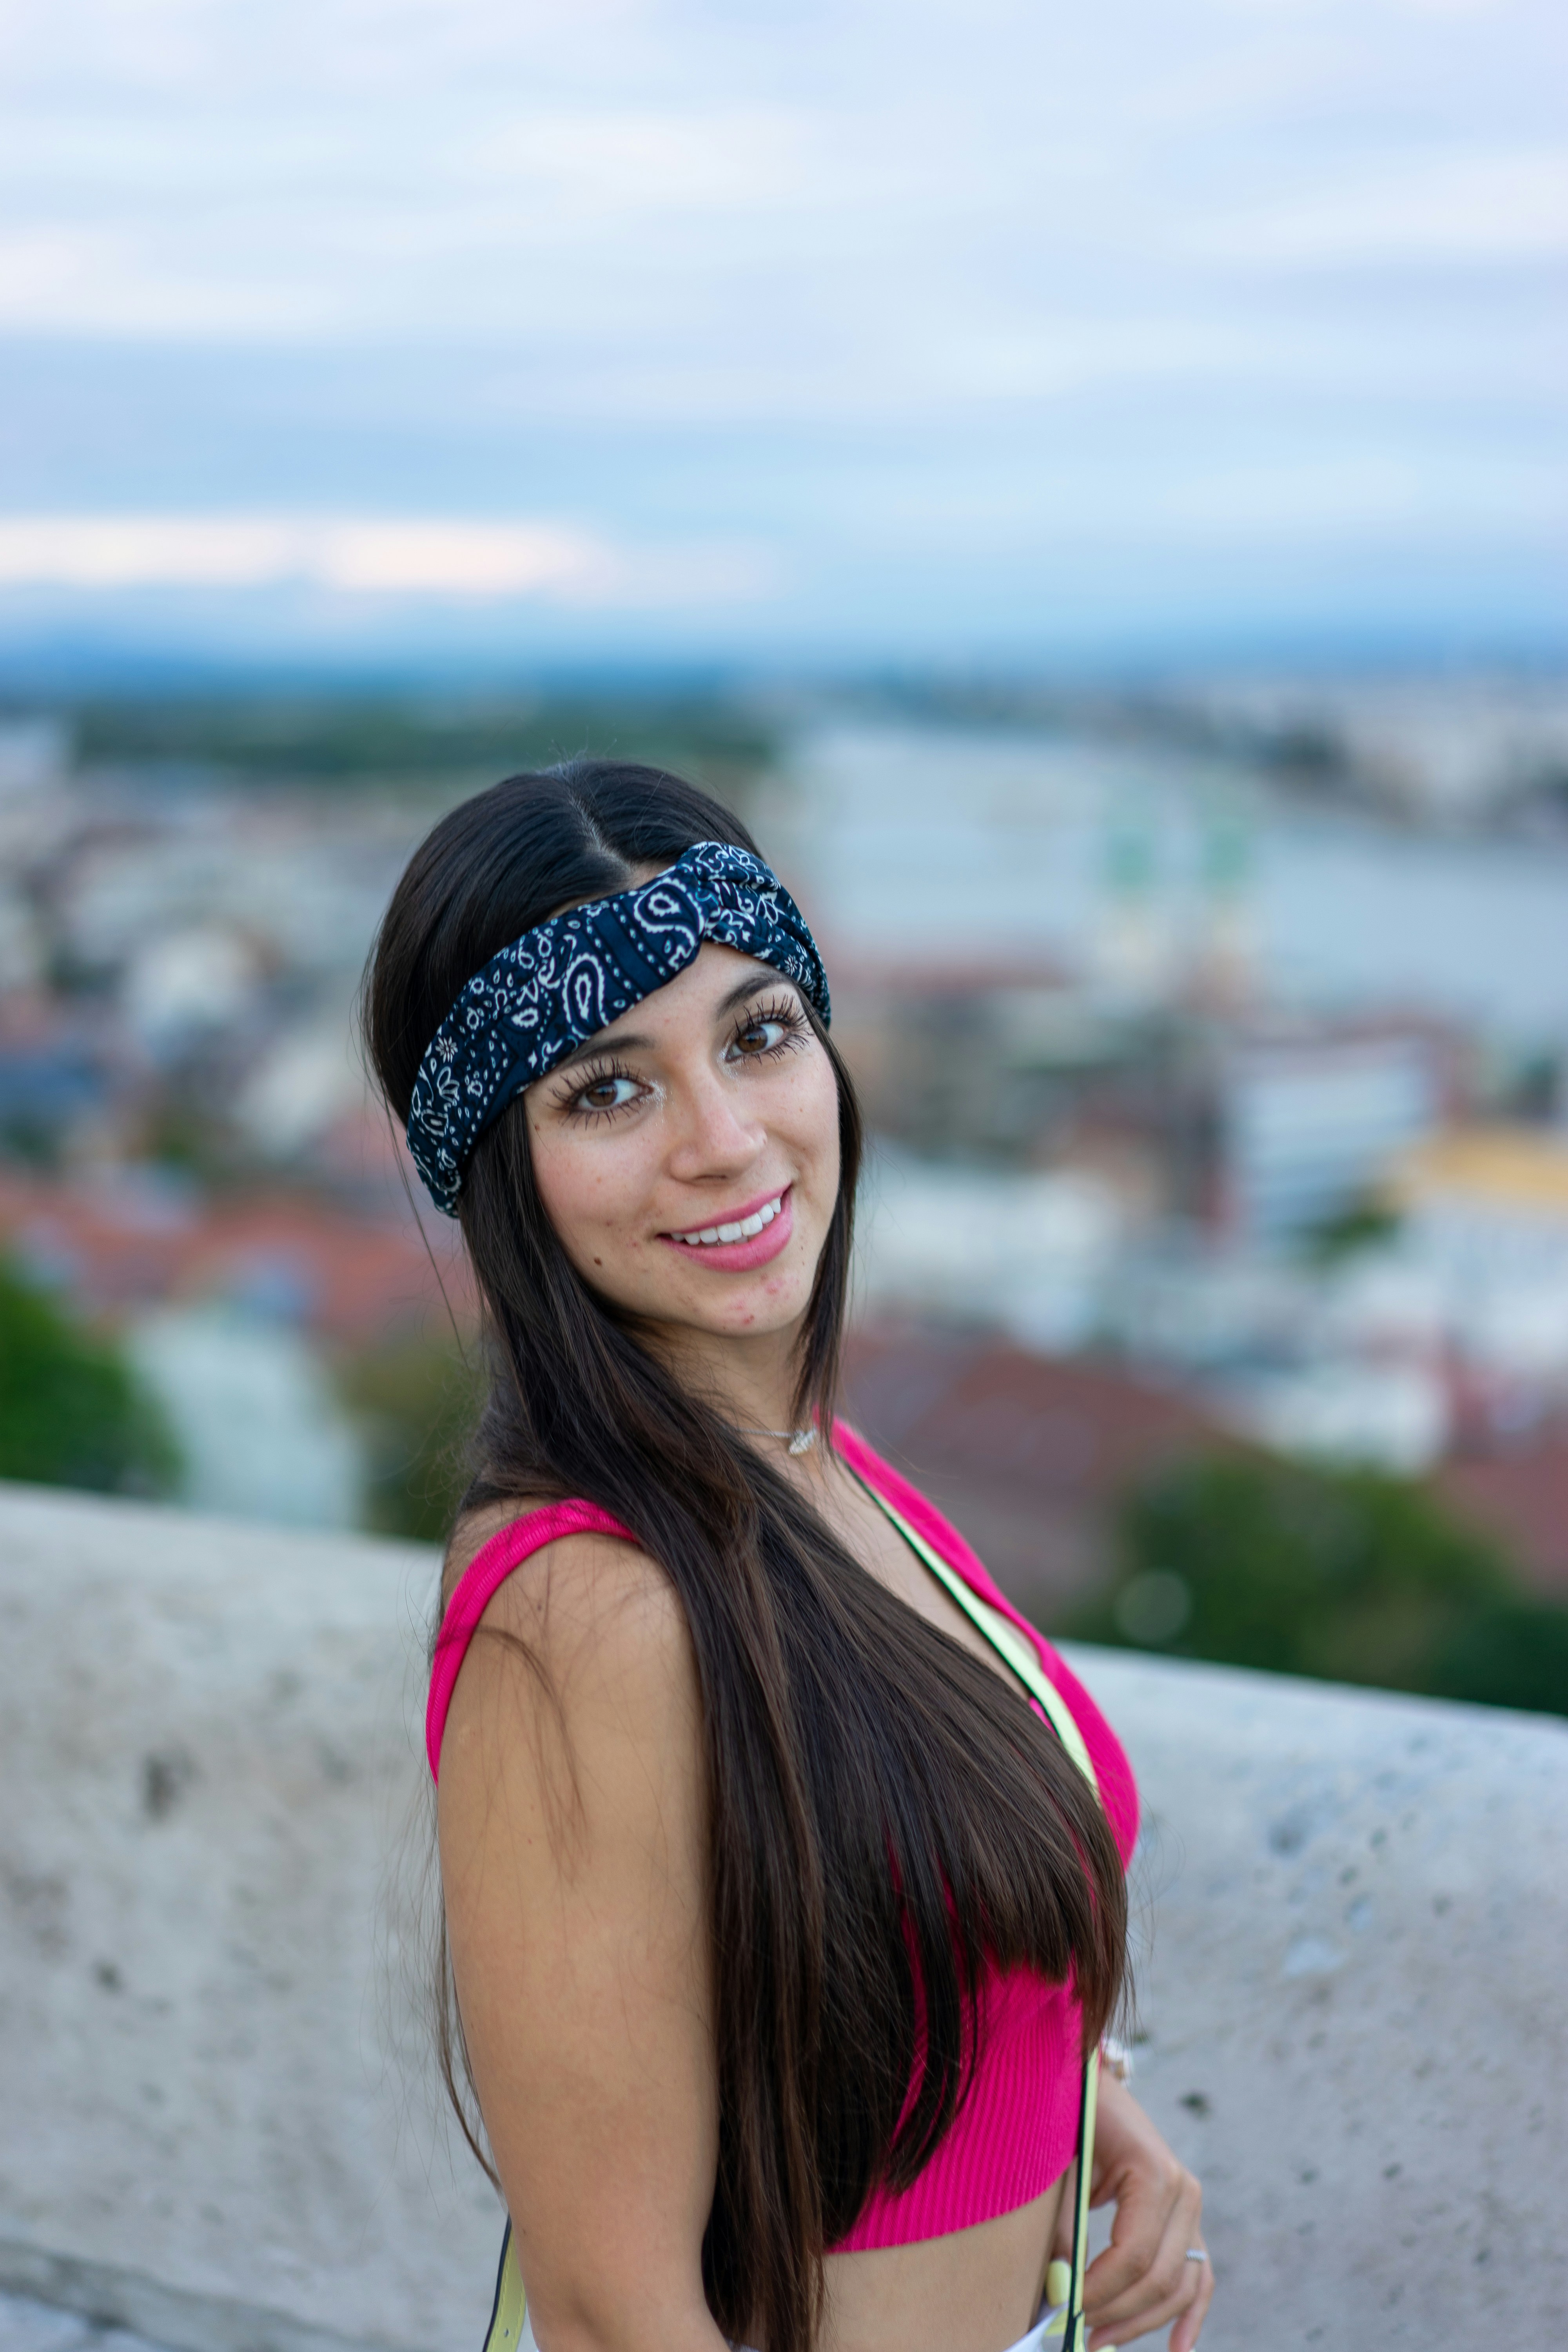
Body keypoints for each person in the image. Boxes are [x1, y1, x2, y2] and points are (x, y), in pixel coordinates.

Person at [364, 762, 1212, 2352]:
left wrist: (1090, 2107)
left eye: (757, 1036)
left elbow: (900, 1926)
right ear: (502, 1174)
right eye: (607, 1090)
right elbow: (619, 2316)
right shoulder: (587, 1612)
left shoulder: (820, 1469)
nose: (725, 1139)